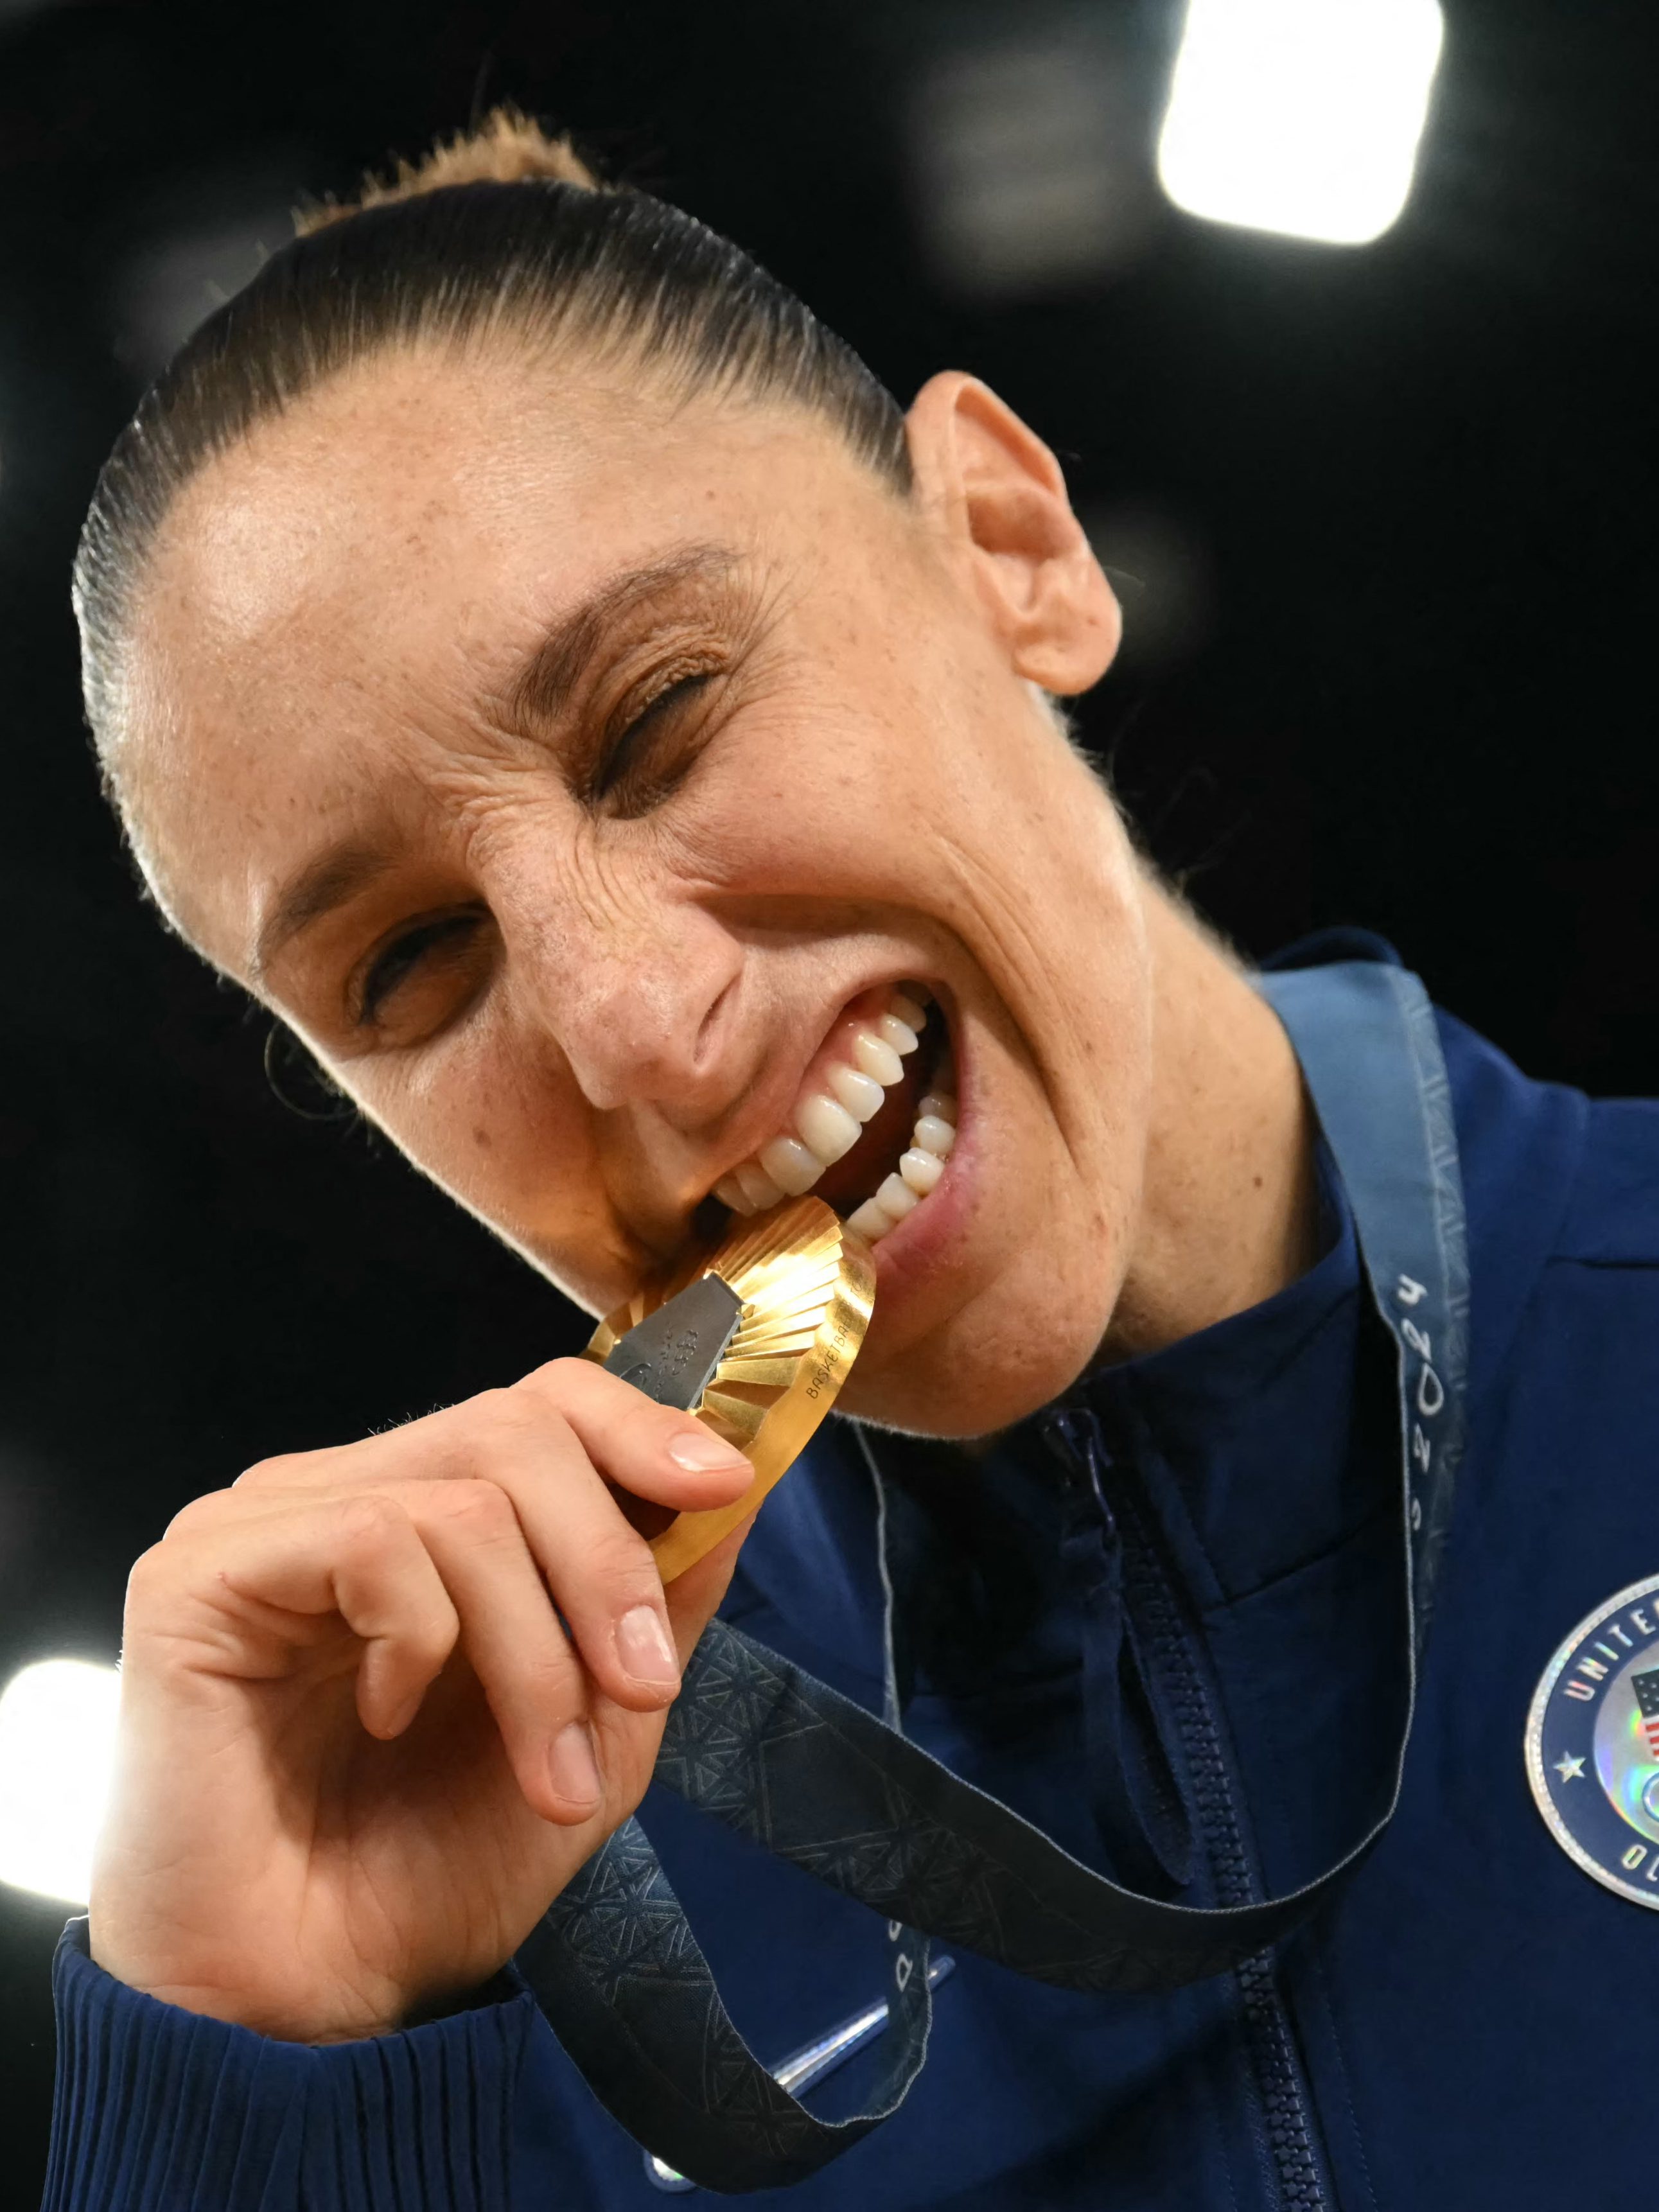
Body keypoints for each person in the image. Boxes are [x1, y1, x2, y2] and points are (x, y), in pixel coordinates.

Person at [41, 109, 1659, 2212]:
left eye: (661, 718)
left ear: (1008, 546)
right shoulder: (496, 1865)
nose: (630, 1021)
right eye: (417, 963)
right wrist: (249, 2075)